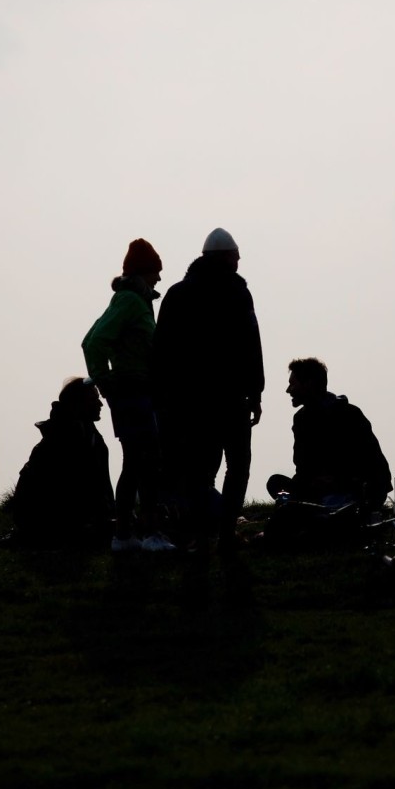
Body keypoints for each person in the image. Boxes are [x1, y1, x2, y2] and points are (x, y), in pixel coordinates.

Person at [153, 227, 264, 553]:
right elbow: (251, 344)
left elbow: (161, 352)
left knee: (202, 472)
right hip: (230, 398)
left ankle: (202, 537)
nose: (240, 260)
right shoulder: (238, 293)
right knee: (238, 464)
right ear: (228, 258)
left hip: (190, 402)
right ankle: (226, 533)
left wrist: (165, 398)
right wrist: (255, 392)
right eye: (237, 255)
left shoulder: (177, 294)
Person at [81, 238, 173, 552]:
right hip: (132, 392)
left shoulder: (132, 301)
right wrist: (106, 384)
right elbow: (93, 343)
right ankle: (149, 534)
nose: (159, 278)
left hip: (135, 392)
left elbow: (90, 338)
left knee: (135, 463)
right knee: (147, 463)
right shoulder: (130, 301)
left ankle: (124, 536)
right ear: (142, 273)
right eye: (155, 272)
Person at [263, 357, 390, 547]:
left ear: (309, 384)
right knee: (276, 483)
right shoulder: (302, 419)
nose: (289, 390)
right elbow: (303, 466)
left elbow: (373, 465)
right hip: (319, 491)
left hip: (353, 491)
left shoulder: (349, 415)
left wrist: (340, 481)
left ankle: (321, 523)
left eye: (293, 383)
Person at [6, 377, 113, 549]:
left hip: (45, 519)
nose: (100, 404)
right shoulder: (68, 437)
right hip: (47, 521)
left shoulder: (82, 431)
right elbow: (77, 488)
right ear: (78, 403)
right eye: (94, 399)